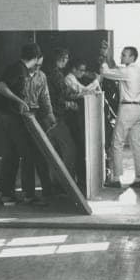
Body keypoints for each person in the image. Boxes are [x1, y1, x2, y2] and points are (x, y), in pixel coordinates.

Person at [0, 42, 47, 207]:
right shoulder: (18, 69)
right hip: (10, 116)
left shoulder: (19, 68)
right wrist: (19, 101)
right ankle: (26, 195)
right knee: (26, 153)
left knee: (13, 153)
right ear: (37, 58)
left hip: (9, 115)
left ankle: (7, 194)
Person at [100, 45, 140, 189]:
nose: (121, 57)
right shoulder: (138, 70)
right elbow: (117, 68)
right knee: (136, 144)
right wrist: (109, 57)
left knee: (117, 143)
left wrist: (103, 60)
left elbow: (106, 72)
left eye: (124, 55)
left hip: (127, 109)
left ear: (132, 57)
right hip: (138, 109)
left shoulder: (127, 71)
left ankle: (115, 178)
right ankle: (139, 178)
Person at [23, 53, 59, 196]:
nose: (37, 68)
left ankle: (47, 189)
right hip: (22, 116)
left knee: (42, 153)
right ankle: (28, 193)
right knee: (27, 156)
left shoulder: (41, 76)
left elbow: (45, 96)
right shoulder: (21, 75)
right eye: (35, 65)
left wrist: (50, 114)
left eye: (40, 65)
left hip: (36, 115)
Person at [44, 47, 80, 188]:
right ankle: (68, 184)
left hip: (47, 117)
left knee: (54, 151)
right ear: (62, 58)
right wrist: (76, 97)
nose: (67, 61)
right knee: (70, 150)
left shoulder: (47, 72)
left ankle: (54, 182)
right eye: (66, 58)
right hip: (56, 117)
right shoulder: (56, 74)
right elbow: (63, 94)